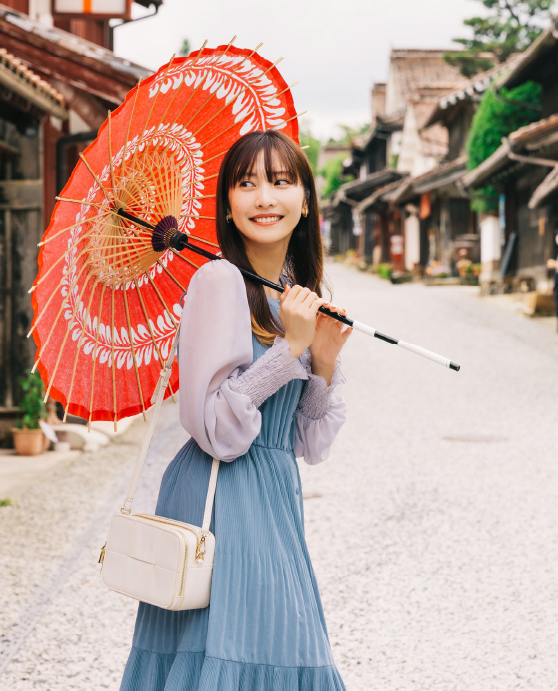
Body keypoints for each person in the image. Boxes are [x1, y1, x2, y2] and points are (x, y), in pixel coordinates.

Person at [118, 130, 353, 690]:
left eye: (280, 181)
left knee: (282, 645)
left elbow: (307, 443)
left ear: (305, 200)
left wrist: (322, 361)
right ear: (227, 203)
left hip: (273, 490)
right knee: (237, 649)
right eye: (245, 184)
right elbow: (215, 428)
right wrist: (288, 350)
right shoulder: (218, 280)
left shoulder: (293, 289)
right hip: (219, 494)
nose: (263, 198)